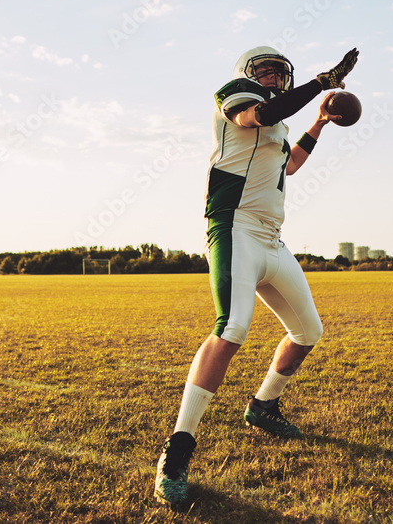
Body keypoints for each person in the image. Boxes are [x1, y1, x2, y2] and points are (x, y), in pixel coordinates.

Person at [154, 45, 360, 505]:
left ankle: (263, 406)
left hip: (271, 237)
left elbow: (289, 164)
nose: (272, 77)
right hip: (234, 226)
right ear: (248, 75)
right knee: (232, 328)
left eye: (278, 72)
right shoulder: (236, 97)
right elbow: (260, 115)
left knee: (308, 331)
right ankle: (178, 449)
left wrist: (320, 123)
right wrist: (323, 82)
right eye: (264, 70)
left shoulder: (280, 123)